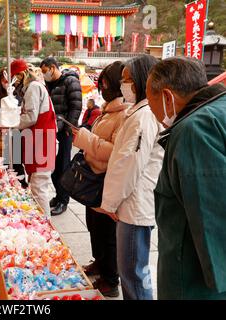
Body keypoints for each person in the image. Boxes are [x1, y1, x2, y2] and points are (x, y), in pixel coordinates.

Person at [146, 57, 226, 300]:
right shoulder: (219, 108)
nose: (158, 119)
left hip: (195, 279)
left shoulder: (194, 130)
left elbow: (211, 216)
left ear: (168, 97)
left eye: (153, 107)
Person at [92, 54, 163, 300]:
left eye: (127, 79)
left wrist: (110, 203)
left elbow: (127, 164)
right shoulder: (139, 111)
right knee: (132, 272)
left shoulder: (143, 116)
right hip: (131, 203)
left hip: (134, 206)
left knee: (132, 273)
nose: (123, 85)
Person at [72, 61, 129, 297]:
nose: (101, 87)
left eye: (105, 83)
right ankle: (99, 263)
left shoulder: (125, 114)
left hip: (106, 179)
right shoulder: (107, 110)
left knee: (108, 233)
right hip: (93, 177)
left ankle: (111, 279)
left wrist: (86, 139)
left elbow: (116, 150)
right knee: (94, 226)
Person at [11, 59, 57, 217]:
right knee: (37, 185)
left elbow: (31, 116)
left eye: (15, 77)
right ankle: (42, 221)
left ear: (21, 74)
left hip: (42, 142)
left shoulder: (33, 87)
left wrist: (12, 124)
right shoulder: (33, 87)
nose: (15, 81)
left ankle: (45, 224)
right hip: (38, 141)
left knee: (39, 188)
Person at [40, 57, 82, 216]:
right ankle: (58, 195)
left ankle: (63, 200)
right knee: (53, 166)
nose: (44, 75)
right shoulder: (49, 84)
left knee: (63, 166)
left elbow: (76, 106)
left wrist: (68, 128)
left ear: (52, 68)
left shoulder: (70, 81)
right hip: (52, 130)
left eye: (45, 71)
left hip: (64, 131)